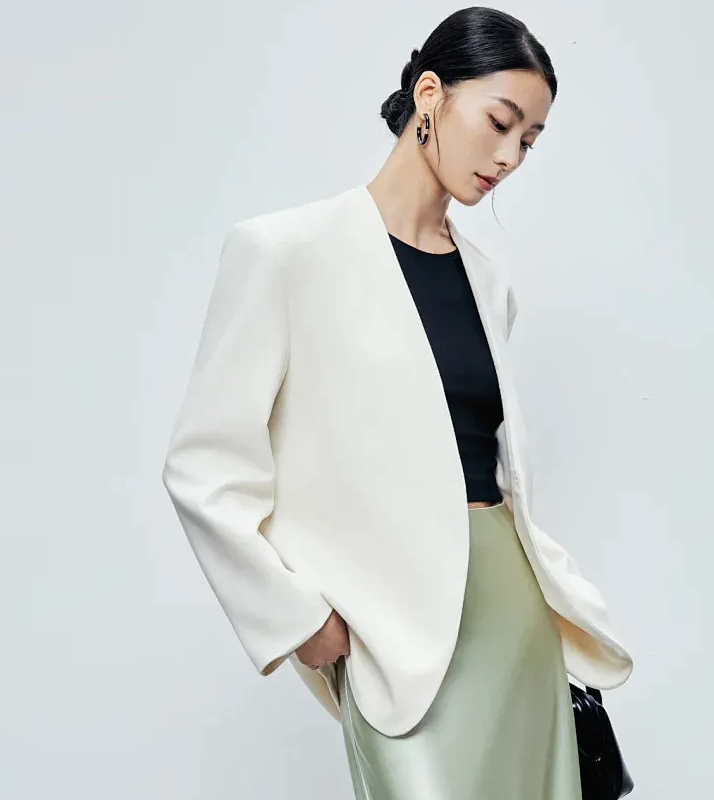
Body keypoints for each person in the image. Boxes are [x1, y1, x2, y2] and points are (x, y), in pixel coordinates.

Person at [160, 7, 632, 797]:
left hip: (510, 610)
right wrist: (297, 619)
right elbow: (202, 468)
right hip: (393, 630)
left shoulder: (489, 281)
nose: (509, 157)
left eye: (530, 141)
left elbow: (495, 469)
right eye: (500, 123)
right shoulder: (285, 253)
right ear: (430, 94)